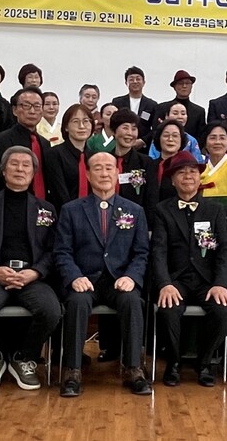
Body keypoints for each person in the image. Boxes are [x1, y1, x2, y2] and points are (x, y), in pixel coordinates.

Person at [54, 152, 152, 397]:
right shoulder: (71, 210)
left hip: (119, 280)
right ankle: (73, 370)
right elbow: (62, 251)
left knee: (133, 301)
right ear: (88, 174)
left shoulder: (135, 210)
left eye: (109, 168)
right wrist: (74, 276)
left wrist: (131, 276)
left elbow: (142, 253)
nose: (104, 173)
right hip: (85, 280)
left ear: (117, 173)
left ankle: (134, 368)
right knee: (76, 303)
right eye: (98, 168)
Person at [0, 146, 63, 392]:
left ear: (33, 173)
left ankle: (24, 358)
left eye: (26, 165)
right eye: (14, 164)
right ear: (3, 170)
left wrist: (36, 272)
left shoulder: (46, 208)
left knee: (51, 310)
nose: (20, 169)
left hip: (31, 277)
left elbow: (53, 249)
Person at [151, 151, 227, 387]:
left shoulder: (215, 210)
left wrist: (220, 283)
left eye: (192, 171)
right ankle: (174, 362)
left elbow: (225, 250)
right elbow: (158, 251)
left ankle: (204, 362)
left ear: (199, 177)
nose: (188, 176)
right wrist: (165, 284)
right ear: (172, 180)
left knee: (223, 312)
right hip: (176, 280)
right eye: (181, 172)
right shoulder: (162, 210)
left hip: (208, 281)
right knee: (168, 310)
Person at [0, 87, 50, 199]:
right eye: (26, 105)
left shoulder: (45, 143)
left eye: (37, 106)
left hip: (42, 205)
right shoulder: (1, 140)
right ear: (14, 110)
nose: (32, 111)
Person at [43, 104, 95, 211]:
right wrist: (74, 214)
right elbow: (59, 192)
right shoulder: (54, 154)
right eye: (75, 121)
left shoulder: (94, 157)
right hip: (63, 213)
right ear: (66, 127)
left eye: (86, 121)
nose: (81, 126)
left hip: (92, 213)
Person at [111, 66, 158, 149]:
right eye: (131, 79)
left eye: (138, 79)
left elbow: (155, 128)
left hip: (143, 148)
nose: (135, 81)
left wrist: (143, 141)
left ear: (144, 82)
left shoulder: (152, 105)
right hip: (121, 144)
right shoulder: (117, 102)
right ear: (126, 82)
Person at [160, 70, 207, 143]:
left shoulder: (199, 111)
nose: (184, 86)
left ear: (191, 86)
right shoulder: (162, 108)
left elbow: (201, 137)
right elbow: (156, 133)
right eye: (180, 83)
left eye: (187, 83)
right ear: (174, 87)